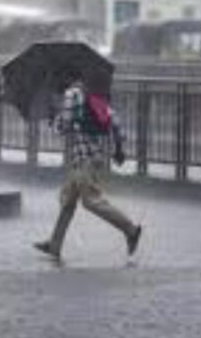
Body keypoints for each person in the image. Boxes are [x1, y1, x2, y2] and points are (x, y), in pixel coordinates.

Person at [34, 79, 142, 261]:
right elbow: (114, 119)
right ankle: (54, 244)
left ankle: (130, 230)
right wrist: (119, 148)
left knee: (91, 201)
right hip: (89, 158)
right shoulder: (91, 95)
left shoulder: (71, 94)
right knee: (67, 201)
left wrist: (54, 118)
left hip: (85, 159)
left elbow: (64, 127)